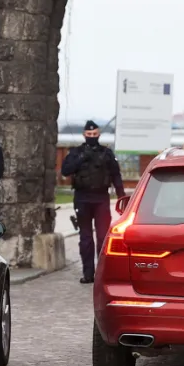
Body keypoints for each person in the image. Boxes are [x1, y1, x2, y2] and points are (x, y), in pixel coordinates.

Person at [61, 120, 127, 284]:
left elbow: (116, 175)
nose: (92, 136)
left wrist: (122, 197)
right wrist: (81, 158)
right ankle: (88, 273)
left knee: (103, 237)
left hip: (101, 199)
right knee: (86, 238)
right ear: (84, 135)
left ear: (99, 134)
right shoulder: (76, 152)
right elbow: (65, 170)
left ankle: (102, 273)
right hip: (82, 198)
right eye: (89, 134)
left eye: (94, 134)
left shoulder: (106, 153)